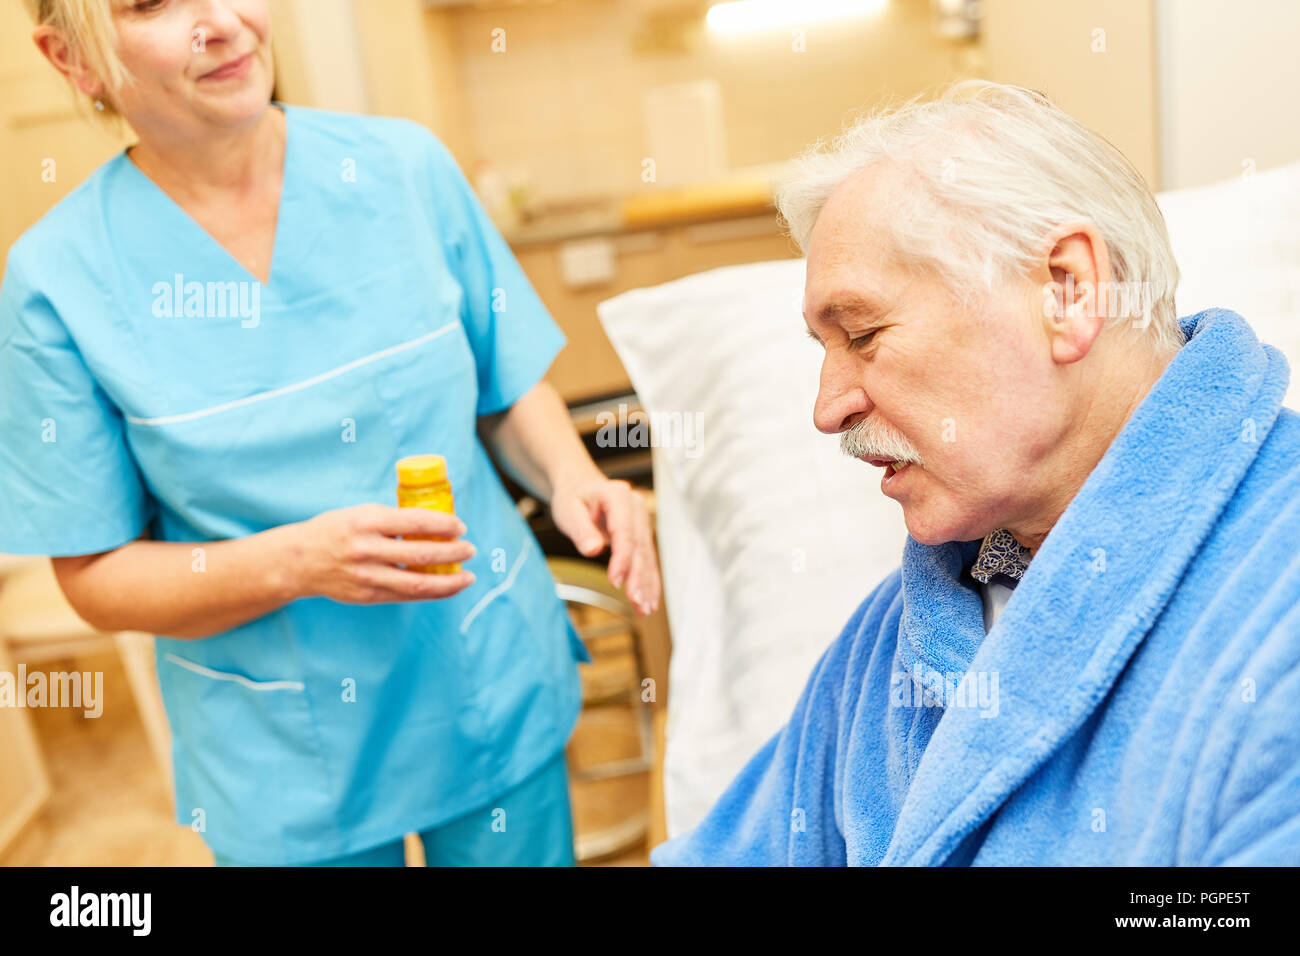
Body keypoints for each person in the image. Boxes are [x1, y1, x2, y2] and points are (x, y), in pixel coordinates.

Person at [2, 0, 660, 867]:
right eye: (155, 1)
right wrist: (294, 564)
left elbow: (501, 387)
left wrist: (573, 477)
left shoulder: (403, 169)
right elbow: (94, 574)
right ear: (71, 58)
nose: (223, 20)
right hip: (282, 756)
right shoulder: (56, 281)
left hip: (479, 679)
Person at [652, 82, 1300, 866]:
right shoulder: (885, 647)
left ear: (1067, 292)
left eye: (862, 334)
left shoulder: (1272, 624)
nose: (828, 408)